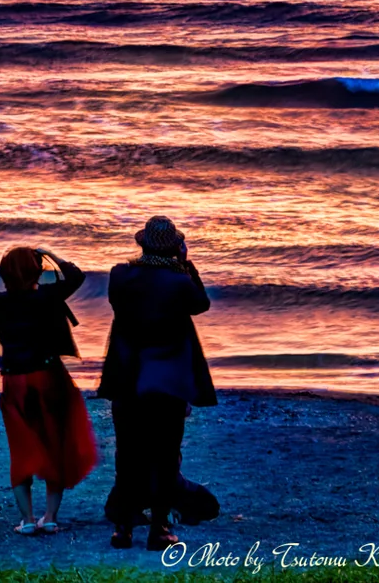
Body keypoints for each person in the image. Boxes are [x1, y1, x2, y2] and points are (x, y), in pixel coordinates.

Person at [97, 215, 217, 551]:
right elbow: (202, 304)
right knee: (166, 453)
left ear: (143, 243)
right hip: (167, 380)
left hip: (127, 377)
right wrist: (187, 263)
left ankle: (123, 527)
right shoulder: (179, 282)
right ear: (176, 247)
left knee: (128, 452)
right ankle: (160, 528)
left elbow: (118, 304)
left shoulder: (120, 275)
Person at [0, 246, 98, 534]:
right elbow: (76, 276)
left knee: (21, 445)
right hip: (49, 376)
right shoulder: (46, 297)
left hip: (14, 380)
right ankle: (49, 517)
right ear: (37, 271)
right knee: (54, 442)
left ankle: (26, 520)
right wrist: (51, 255)